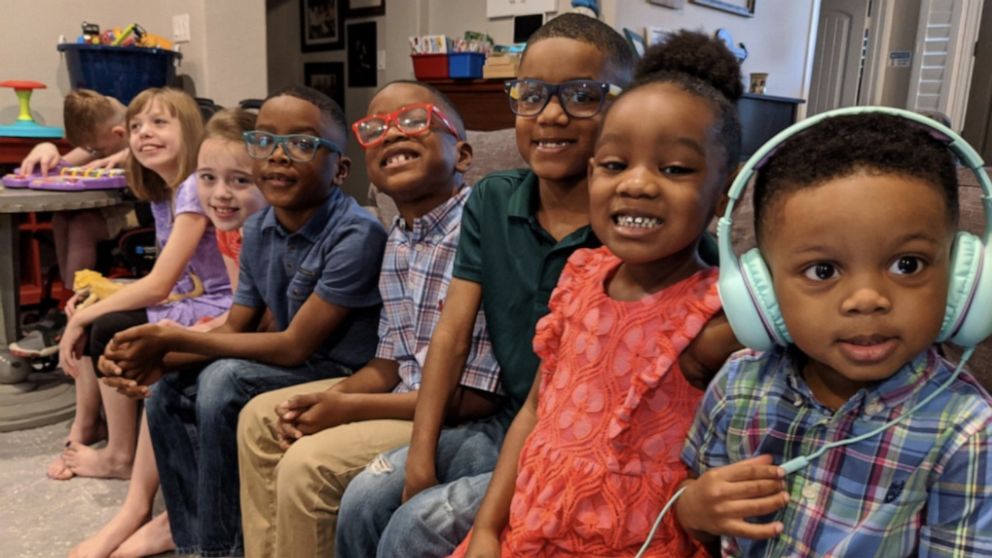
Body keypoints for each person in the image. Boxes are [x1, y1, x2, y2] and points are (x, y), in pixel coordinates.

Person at [337, 14, 734, 557]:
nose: (551, 113)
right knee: (366, 498)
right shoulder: (509, 212)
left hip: (603, 476)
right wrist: (419, 458)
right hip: (517, 425)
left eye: (582, 95)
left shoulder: (670, 258)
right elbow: (452, 340)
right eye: (531, 93)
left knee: (419, 526)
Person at [450, 30, 744, 558]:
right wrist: (489, 529)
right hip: (530, 527)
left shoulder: (720, 318)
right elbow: (536, 410)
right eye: (614, 165)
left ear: (726, 187)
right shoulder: (581, 275)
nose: (636, 184)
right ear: (592, 174)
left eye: (673, 169)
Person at [678, 110, 992, 556]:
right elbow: (697, 495)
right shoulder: (738, 386)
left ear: (964, 276)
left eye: (909, 264)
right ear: (760, 289)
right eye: (822, 270)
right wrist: (693, 509)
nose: (866, 299)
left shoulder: (968, 430)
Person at [99, 85, 386, 557]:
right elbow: (235, 327)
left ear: (340, 169)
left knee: (223, 381)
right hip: (295, 360)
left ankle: (223, 549)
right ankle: (193, 541)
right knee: (167, 391)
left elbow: (295, 346)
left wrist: (170, 337)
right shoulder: (260, 227)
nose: (277, 156)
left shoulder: (357, 233)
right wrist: (160, 358)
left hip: (342, 369)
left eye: (301, 144)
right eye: (265, 141)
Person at [236, 80, 502, 558]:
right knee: (263, 417)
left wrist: (346, 408)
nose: (394, 135)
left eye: (416, 122)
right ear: (364, 167)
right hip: (408, 398)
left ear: (462, 155)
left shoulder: (479, 231)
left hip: (454, 418)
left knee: (308, 466)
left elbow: (475, 399)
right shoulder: (397, 238)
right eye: (377, 129)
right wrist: (326, 398)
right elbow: (389, 364)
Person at [70, 107, 265, 558]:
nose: (219, 193)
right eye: (208, 178)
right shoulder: (225, 224)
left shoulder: (246, 222)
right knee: (135, 348)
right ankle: (147, 509)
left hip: (265, 338)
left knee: (168, 370)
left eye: (239, 180)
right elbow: (241, 305)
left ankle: (162, 515)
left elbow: (261, 319)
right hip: (224, 316)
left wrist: (180, 340)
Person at [50, 88, 232, 482]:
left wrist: (87, 317)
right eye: (135, 127)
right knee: (87, 309)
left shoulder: (191, 189)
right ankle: (87, 425)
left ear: (188, 130)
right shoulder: (162, 191)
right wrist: (93, 302)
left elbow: (160, 284)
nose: (144, 133)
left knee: (106, 326)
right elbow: (170, 279)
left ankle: (120, 454)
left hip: (218, 304)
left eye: (159, 123)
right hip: (190, 294)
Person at [11, 89, 132, 358]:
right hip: (116, 208)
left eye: (98, 149)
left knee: (83, 226)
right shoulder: (103, 137)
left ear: (119, 133)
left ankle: (72, 306)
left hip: (143, 212)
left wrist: (129, 157)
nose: (93, 153)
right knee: (63, 216)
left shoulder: (140, 137)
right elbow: (60, 166)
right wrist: (47, 149)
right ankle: (65, 303)